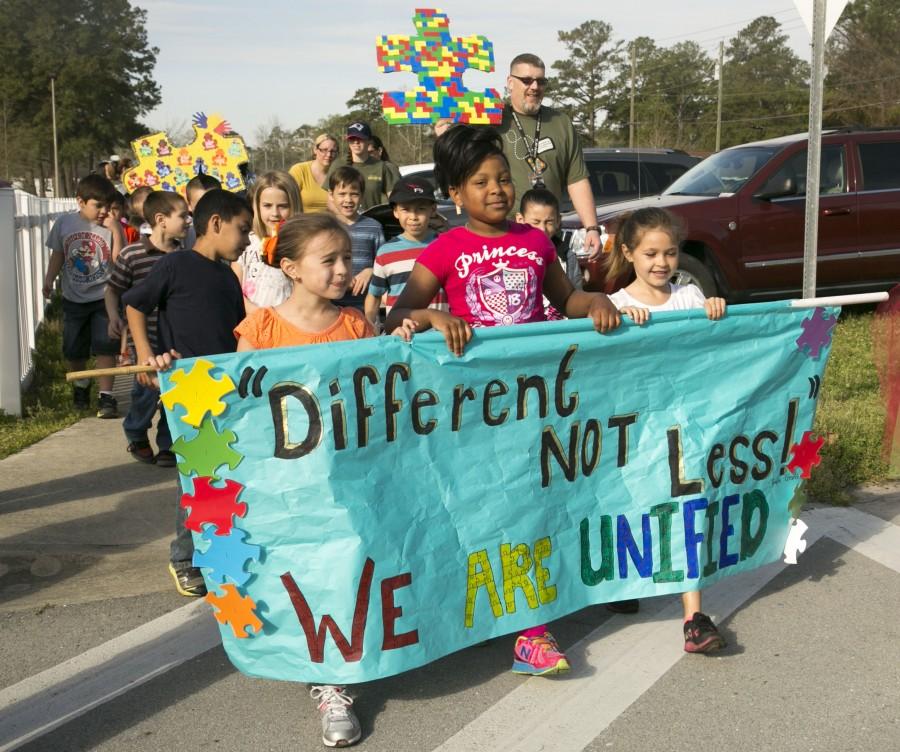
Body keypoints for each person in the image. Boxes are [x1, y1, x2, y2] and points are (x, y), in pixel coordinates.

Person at [385, 125, 622, 675]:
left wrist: (598, 302)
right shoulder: (445, 247)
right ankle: (477, 609)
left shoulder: (536, 242)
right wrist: (430, 315)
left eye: (502, 178)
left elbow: (568, 301)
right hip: (469, 411)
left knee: (524, 507)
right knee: (479, 511)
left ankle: (529, 630)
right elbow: (396, 317)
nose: (496, 189)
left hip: (533, 405)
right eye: (480, 181)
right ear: (456, 193)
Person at [233, 213, 413, 748]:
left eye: (346, 259)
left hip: (348, 483)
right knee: (302, 577)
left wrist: (398, 345)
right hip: (287, 485)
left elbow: (382, 396)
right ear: (290, 267)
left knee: (344, 572)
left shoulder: (357, 326)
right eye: (329, 260)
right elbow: (237, 406)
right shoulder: (259, 329)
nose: (343, 270)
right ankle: (323, 670)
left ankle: (336, 683)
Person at [604, 206, 728, 654]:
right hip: (636, 431)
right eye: (651, 253)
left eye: (671, 253)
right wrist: (621, 330)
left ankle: (694, 616)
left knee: (687, 509)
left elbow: (711, 351)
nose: (662, 263)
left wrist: (714, 312)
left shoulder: (690, 299)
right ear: (628, 254)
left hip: (685, 427)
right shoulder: (616, 306)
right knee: (635, 503)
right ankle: (627, 582)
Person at [123, 189, 252, 598]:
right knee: (197, 479)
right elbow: (135, 305)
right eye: (243, 230)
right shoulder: (176, 265)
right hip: (189, 389)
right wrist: (146, 354)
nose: (248, 240)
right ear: (215, 224)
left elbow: (237, 334)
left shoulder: (229, 277)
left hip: (224, 390)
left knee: (224, 475)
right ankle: (184, 558)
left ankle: (218, 554)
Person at [105, 191, 190, 466]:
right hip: (144, 339)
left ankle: (167, 445)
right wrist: (113, 317)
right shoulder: (133, 254)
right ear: (161, 220)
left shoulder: (185, 256)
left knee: (173, 395)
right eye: (183, 215)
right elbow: (113, 290)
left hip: (173, 339)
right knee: (145, 393)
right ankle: (136, 431)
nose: (189, 221)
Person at [497, 53, 603, 258]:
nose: (535, 87)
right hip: (504, 233)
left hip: (549, 235)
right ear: (510, 82)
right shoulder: (493, 119)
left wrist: (592, 228)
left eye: (541, 81)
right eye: (527, 80)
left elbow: (577, 180)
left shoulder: (560, 122)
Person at [42, 173, 124, 416]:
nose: (103, 211)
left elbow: (119, 262)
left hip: (104, 298)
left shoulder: (110, 227)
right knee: (74, 350)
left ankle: (106, 397)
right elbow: (58, 254)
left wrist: (116, 231)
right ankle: (81, 387)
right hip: (73, 299)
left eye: (107, 206)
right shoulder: (64, 224)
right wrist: (49, 278)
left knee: (105, 347)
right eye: (97, 205)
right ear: (80, 202)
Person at [364, 176, 448, 329]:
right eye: (405, 209)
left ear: (433, 210)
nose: (413, 217)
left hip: (442, 335)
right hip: (402, 336)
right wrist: (370, 326)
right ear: (395, 212)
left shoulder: (446, 245)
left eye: (421, 209)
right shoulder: (385, 253)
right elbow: (375, 294)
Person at [232, 170, 301, 313]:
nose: (275, 213)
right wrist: (258, 314)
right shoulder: (245, 241)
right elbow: (234, 288)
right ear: (256, 206)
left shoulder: (301, 243)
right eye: (267, 205)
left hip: (289, 322)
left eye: (283, 206)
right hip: (252, 321)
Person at [328, 166, 384, 311]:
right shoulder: (324, 228)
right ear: (331, 195)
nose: (348, 199)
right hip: (330, 307)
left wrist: (370, 271)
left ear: (362, 196)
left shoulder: (374, 227)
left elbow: (383, 263)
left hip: (366, 306)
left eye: (354, 194)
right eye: (342, 194)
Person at [516, 187, 583, 292]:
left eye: (549, 222)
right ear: (520, 220)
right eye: (536, 222)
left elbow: (576, 295)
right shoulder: (507, 255)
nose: (542, 229)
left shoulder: (567, 256)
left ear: (558, 221)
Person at [329, 121, 400, 211]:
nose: (356, 142)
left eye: (360, 139)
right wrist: (341, 221)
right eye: (352, 139)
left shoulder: (381, 166)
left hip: (373, 221)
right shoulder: (338, 165)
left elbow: (394, 199)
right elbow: (330, 199)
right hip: (343, 223)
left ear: (369, 141)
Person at [289, 133, 339, 214]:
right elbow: (287, 201)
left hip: (332, 223)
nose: (329, 154)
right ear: (315, 150)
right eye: (324, 150)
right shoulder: (299, 171)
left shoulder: (339, 174)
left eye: (333, 151)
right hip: (303, 223)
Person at [183, 173, 222, 249]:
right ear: (189, 205)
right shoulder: (185, 233)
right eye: (200, 203)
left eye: (213, 201)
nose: (207, 208)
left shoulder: (230, 228)